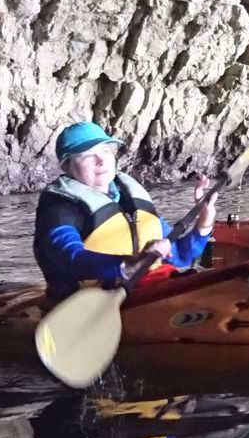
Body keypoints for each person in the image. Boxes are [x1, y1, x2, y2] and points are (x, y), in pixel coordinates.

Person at [34, 121, 215, 303]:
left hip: (150, 289)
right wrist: (129, 265)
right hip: (92, 302)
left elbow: (181, 256)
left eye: (105, 151)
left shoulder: (129, 200)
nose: (101, 161)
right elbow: (70, 259)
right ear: (67, 166)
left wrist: (204, 223)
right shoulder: (58, 210)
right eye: (88, 156)